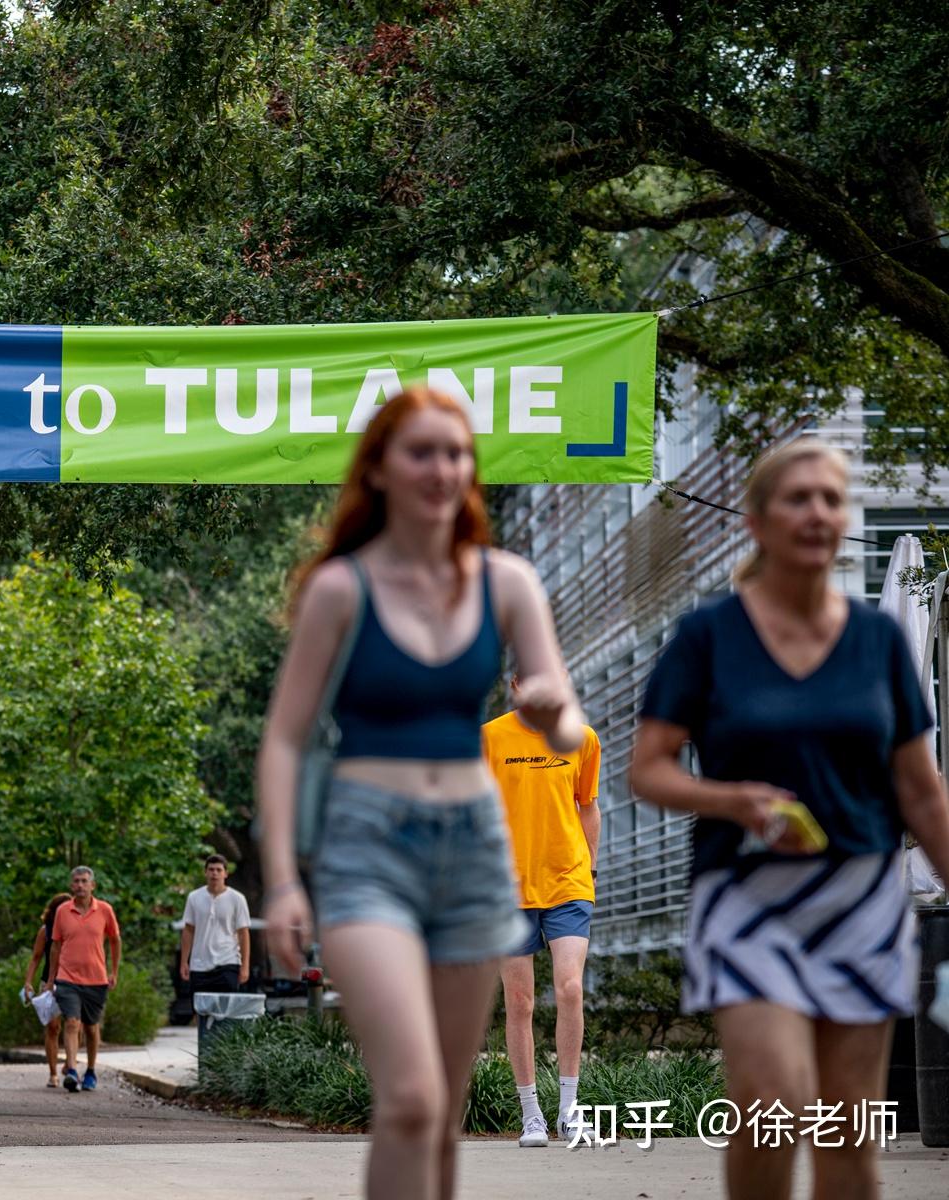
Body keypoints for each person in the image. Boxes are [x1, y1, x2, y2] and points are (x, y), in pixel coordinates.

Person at [257, 386, 584, 1200]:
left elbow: (569, 727)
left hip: (475, 851)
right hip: (368, 848)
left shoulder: (507, 583)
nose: (443, 468)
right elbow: (285, 739)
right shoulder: (341, 589)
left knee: (441, 1112)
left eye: (457, 453)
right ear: (379, 469)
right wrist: (284, 879)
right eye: (422, 452)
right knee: (408, 1099)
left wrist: (553, 710)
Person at [630, 439, 949, 1200]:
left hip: (862, 900)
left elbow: (921, 789)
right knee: (771, 1103)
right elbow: (649, 769)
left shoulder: (877, 641)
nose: (817, 513)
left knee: (847, 1137)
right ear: (757, 520)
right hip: (746, 897)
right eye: (797, 498)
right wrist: (733, 799)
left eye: (830, 499)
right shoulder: (709, 636)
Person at [483, 679, 602, 1147]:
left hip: (568, 882)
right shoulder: (490, 738)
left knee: (570, 988)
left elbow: (588, 807)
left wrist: (591, 868)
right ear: (516, 684)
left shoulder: (582, 738)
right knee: (520, 1002)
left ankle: (570, 1113)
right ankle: (531, 1115)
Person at [46, 865, 121, 1093]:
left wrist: (114, 971)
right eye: (76, 881)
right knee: (71, 1022)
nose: (80, 885)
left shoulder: (105, 910)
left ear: (92, 885)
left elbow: (115, 940)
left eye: (84, 881)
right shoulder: (62, 911)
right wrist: (51, 980)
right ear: (71, 885)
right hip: (67, 978)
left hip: (96, 979)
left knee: (91, 1028)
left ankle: (90, 1070)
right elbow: (55, 946)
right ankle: (71, 1070)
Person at [179, 854, 252, 996]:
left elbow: (243, 933)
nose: (215, 873)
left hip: (228, 962)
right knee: (200, 1007)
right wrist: (184, 962)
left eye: (219, 870)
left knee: (226, 1008)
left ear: (226, 873)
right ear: (205, 872)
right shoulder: (194, 897)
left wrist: (245, 966)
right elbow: (188, 930)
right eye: (211, 869)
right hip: (199, 965)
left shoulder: (237, 899)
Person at [24, 893, 73, 1088]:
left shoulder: (77, 928)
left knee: (74, 1025)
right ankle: (53, 1073)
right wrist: (28, 982)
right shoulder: (45, 931)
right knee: (53, 1027)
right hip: (49, 982)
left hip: (73, 981)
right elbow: (36, 958)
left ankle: (70, 1062)